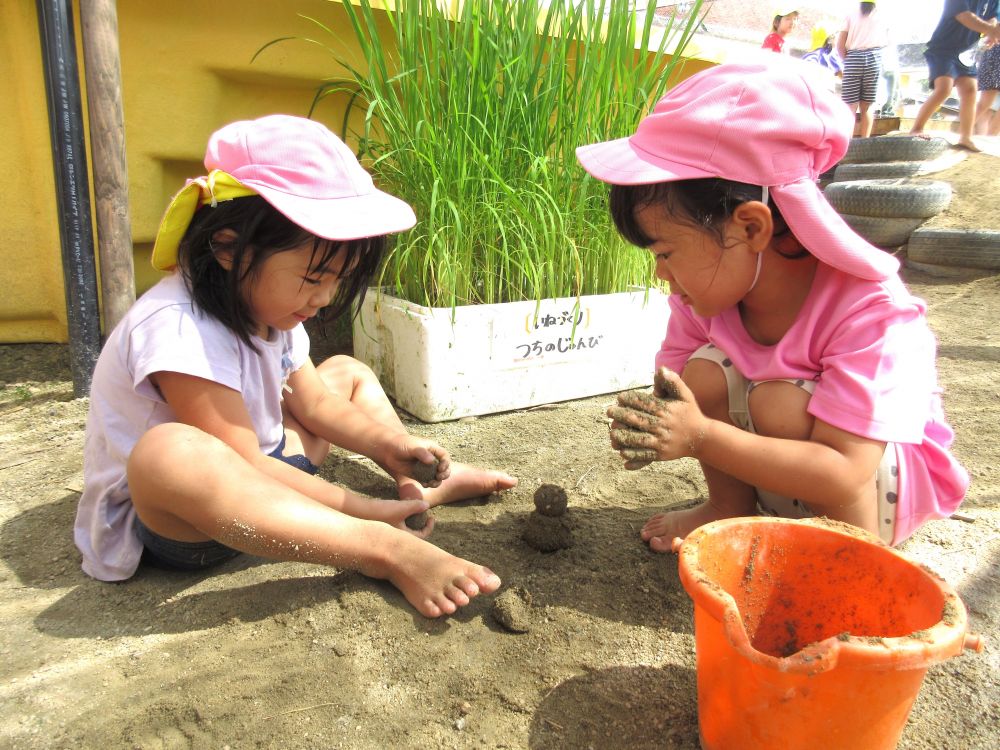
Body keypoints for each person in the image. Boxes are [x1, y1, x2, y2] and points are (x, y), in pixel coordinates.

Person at [73, 114, 517, 618]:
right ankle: (382, 548)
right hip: (194, 517)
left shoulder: (272, 310)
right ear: (228, 247)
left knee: (346, 373)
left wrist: (389, 445)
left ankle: (415, 485)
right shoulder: (177, 329)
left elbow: (316, 402)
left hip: (272, 471)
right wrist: (361, 511)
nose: (325, 298)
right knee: (167, 452)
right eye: (313, 277)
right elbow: (242, 466)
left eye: (338, 279)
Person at [575, 59, 969, 551]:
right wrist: (653, 425)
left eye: (665, 253)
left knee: (778, 402)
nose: (661, 274)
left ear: (750, 226)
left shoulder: (873, 311)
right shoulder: (705, 296)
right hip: (784, 473)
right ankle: (728, 508)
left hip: (869, 490)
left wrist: (699, 436)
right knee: (701, 376)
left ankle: (849, 557)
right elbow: (678, 395)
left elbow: (846, 471)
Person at [909, 0, 1000, 152]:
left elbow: (993, 17)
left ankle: (966, 137)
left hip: (966, 51)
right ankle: (917, 128)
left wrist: (990, 32)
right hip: (943, 49)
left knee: (970, 90)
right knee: (944, 88)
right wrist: (990, 30)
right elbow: (964, 16)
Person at [837, 2, 890, 138]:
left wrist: (847, 61)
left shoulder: (851, 13)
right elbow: (886, 41)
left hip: (854, 57)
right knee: (867, 106)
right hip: (874, 59)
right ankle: (864, 142)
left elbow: (840, 44)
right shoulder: (882, 14)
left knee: (850, 107)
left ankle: (847, 145)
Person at [974, 41, 1000, 134]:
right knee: (984, 104)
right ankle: (962, 134)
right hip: (995, 51)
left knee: (984, 104)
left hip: (992, 50)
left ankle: (962, 133)